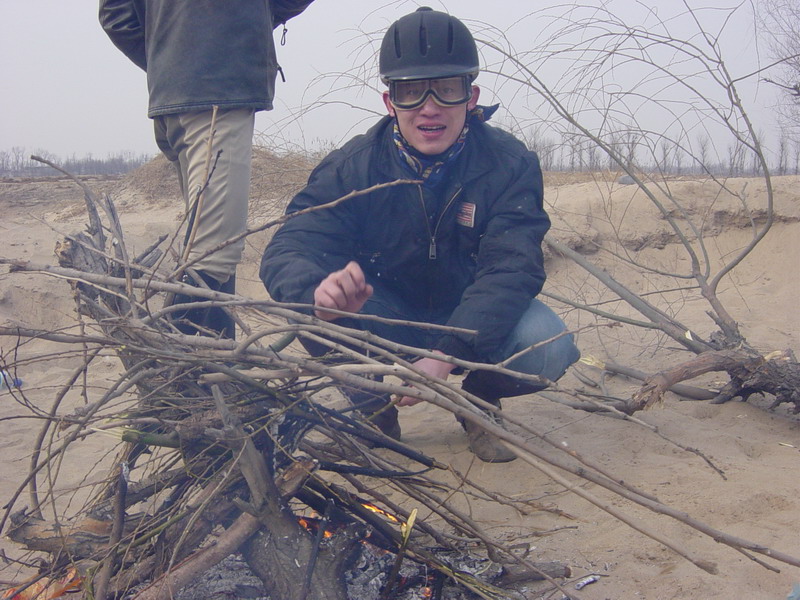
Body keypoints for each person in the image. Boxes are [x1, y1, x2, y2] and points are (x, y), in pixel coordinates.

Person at [260, 7, 580, 462]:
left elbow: (512, 268)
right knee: (313, 313)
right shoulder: (354, 166)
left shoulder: (510, 163)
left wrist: (447, 353)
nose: (429, 107)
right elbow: (290, 245)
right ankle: (374, 413)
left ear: (471, 97)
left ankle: (478, 401)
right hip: (385, 313)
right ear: (390, 103)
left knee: (547, 343)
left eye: (446, 90)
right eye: (411, 92)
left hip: (467, 315)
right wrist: (318, 292)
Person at [99, 0, 316, 338]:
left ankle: (218, 366)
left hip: (173, 96)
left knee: (205, 247)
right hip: (218, 92)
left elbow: (116, 15)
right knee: (213, 254)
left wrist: (169, 56)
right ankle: (187, 375)